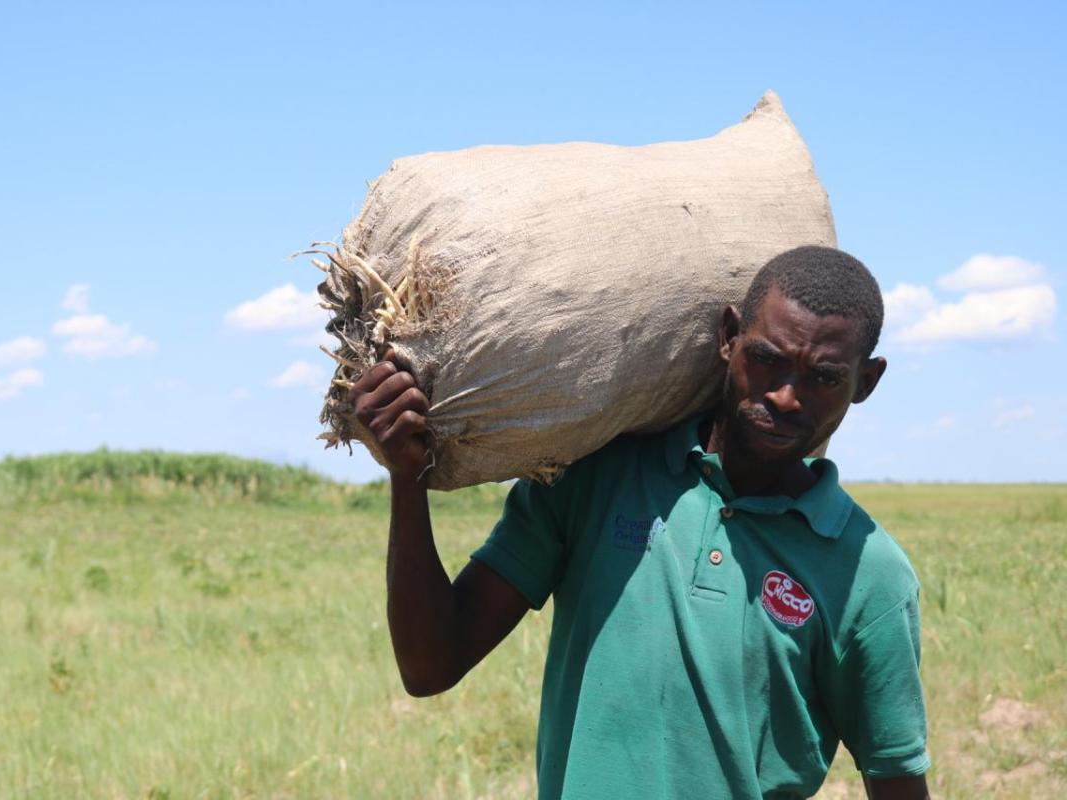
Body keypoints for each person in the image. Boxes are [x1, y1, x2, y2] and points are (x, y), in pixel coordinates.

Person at [349, 246, 930, 799]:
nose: (785, 396)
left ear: (866, 382)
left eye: (824, 377)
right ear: (729, 339)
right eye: (767, 359)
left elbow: (897, 778)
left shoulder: (870, 575)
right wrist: (407, 476)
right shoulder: (594, 477)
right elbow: (430, 666)